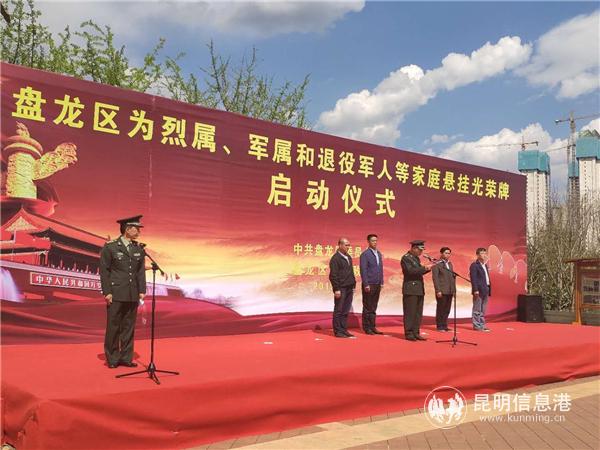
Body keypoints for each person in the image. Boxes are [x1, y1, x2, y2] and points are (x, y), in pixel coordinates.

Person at [100, 215, 147, 368]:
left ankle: (126, 358)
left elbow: (140, 271)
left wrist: (142, 290)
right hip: (116, 293)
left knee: (128, 327)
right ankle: (113, 359)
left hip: (132, 293)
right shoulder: (111, 247)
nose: (139, 231)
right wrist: (107, 292)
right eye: (136, 228)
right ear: (127, 229)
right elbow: (104, 271)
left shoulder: (138, 248)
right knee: (113, 326)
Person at [401, 240, 433, 341]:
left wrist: (427, 269)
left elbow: (419, 272)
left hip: (418, 288)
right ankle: (409, 333)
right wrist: (424, 268)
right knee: (410, 312)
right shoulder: (406, 258)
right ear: (414, 248)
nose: (421, 252)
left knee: (418, 312)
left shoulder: (416, 258)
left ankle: (416, 332)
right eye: (420, 250)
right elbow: (410, 271)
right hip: (410, 289)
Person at [329, 237, 357, 338]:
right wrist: (336, 289)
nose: (348, 247)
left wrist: (353, 284)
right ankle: (338, 331)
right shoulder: (335, 258)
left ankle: (344, 329)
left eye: (349, 245)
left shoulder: (348, 257)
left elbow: (351, 272)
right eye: (346, 245)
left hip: (349, 287)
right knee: (339, 310)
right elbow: (333, 275)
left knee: (345, 310)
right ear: (340, 245)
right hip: (341, 288)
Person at [359, 234, 384, 335]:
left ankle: (373, 326)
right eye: (373, 241)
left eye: (376, 240)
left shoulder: (379, 253)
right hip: (369, 284)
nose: (375, 242)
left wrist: (381, 282)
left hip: (377, 283)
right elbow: (363, 270)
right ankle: (367, 327)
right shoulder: (365, 254)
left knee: (374, 306)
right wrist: (366, 284)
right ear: (368, 242)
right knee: (367, 306)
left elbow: (380, 269)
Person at [431, 247, 456, 332]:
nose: (447, 255)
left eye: (449, 253)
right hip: (442, 290)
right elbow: (435, 278)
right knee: (441, 309)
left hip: (450, 290)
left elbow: (452, 278)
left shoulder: (450, 264)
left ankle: (445, 325)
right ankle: (440, 326)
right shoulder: (437, 264)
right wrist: (438, 290)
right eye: (446, 253)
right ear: (441, 253)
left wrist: (454, 290)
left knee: (447, 309)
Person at [469, 247, 492, 332]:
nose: (484, 255)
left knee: (483, 309)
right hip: (478, 290)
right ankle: (477, 325)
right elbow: (473, 278)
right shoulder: (474, 265)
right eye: (482, 253)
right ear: (477, 255)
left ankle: (482, 324)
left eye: (485, 253)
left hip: (486, 288)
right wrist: (475, 289)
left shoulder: (485, 265)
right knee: (477, 309)